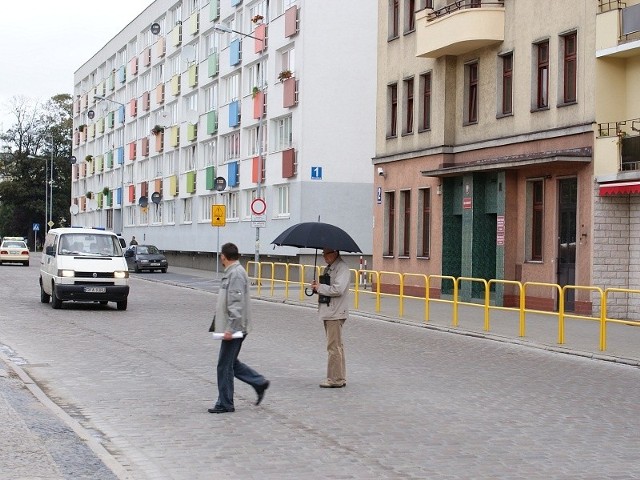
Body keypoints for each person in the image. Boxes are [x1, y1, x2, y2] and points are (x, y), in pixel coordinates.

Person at [209, 242, 270, 413]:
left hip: (235, 329)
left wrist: (230, 328)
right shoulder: (233, 272)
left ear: (223, 256)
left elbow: (236, 303)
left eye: (220, 256)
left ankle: (225, 403)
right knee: (231, 363)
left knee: (224, 366)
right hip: (234, 327)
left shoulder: (235, 274)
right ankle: (259, 382)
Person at [311, 248, 351, 388]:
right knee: (337, 346)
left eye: (326, 253)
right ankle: (339, 376)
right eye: (323, 254)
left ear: (335, 253)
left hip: (335, 312)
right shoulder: (330, 268)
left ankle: (335, 379)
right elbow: (328, 288)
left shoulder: (342, 269)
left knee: (333, 347)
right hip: (329, 311)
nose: (324, 256)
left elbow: (338, 289)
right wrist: (317, 288)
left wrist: (321, 287)